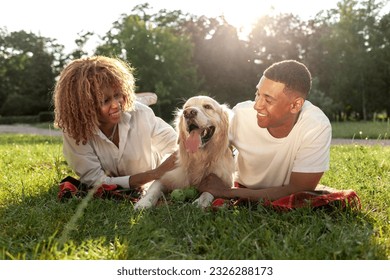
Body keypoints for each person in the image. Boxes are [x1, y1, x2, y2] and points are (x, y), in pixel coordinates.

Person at [198, 60, 332, 202]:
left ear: (295, 105)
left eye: (268, 100)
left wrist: (227, 192)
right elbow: (199, 151)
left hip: (251, 192)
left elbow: (299, 190)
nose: (257, 105)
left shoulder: (316, 126)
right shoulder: (241, 115)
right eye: (258, 94)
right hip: (242, 182)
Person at [53, 55, 177, 192]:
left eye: (118, 95)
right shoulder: (75, 131)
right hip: (151, 175)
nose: (116, 105)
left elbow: (176, 146)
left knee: (136, 106)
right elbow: (95, 180)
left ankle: (142, 98)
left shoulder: (141, 114)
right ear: (84, 106)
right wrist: (154, 174)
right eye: (105, 101)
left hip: (155, 170)